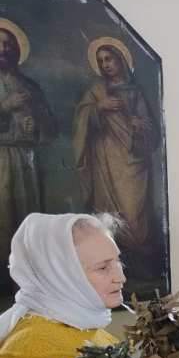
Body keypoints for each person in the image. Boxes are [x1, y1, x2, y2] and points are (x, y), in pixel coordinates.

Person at [0, 213, 123, 358]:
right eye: (103, 267)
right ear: (60, 275)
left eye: (118, 262)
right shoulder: (32, 352)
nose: (120, 277)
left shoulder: (92, 330)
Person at [73, 38, 158, 265]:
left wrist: (139, 125)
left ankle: (139, 257)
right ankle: (115, 257)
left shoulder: (135, 92)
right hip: (104, 159)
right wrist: (99, 107)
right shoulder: (96, 91)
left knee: (133, 210)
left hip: (133, 159)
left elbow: (150, 128)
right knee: (108, 211)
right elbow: (81, 119)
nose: (105, 65)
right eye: (101, 61)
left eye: (109, 59)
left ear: (120, 60)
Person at [0, 20, 57, 295]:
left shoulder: (30, 86)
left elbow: (51, 128)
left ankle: (24, 285)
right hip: (1, 158)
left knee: (27, 222)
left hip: (28, 161)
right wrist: (4, 106)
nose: (4, 49)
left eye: (8, 44)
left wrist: (38, 124)